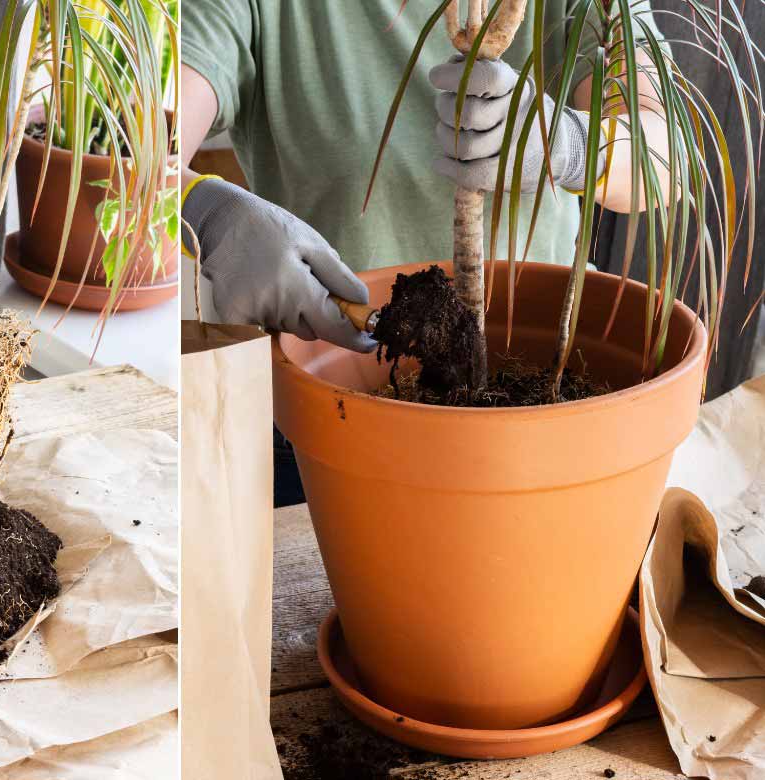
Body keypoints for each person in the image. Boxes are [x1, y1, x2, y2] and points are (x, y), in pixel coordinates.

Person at [180, 0, 671, 504]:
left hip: (553, 414)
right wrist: (205, 209)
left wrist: (567, 145)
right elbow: (143, 150)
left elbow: (662, 157)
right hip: (328, 421)